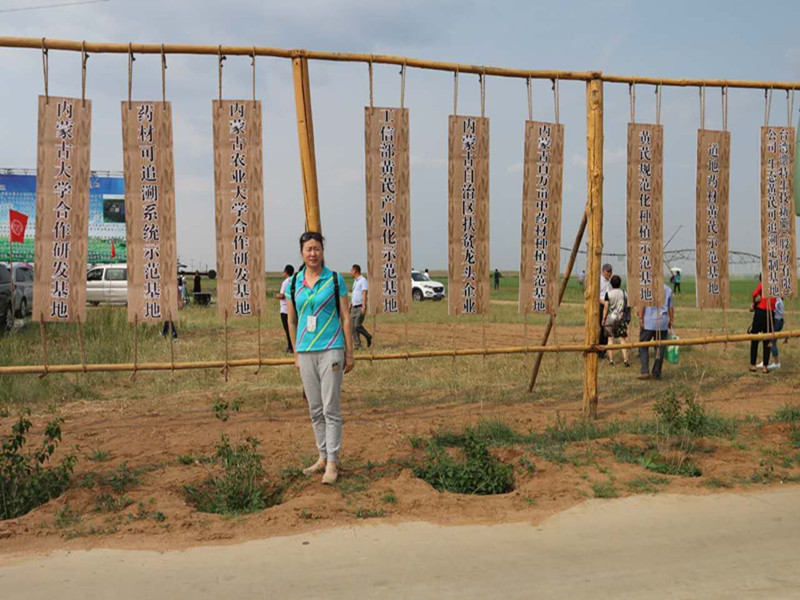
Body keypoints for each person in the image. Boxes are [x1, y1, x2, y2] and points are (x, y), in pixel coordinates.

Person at [287, 232, 354, 485]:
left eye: (316, 248)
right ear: (302, 252)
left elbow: (346, 317)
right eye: (308, 249)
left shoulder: (335, 279)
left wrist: (349, 352)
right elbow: (292, 320)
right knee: (315, 408)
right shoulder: (294, 282)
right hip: (306, 351)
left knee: (330, 408)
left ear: (322, 251)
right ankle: (322, 457)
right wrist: (296, 353)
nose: (312, 253)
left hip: (331, 349)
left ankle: (333, 462)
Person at [638, 283, 674, 380]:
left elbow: (642, 304)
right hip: (662, 322)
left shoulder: (647, 288)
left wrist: (640, 318)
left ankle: (645, 371)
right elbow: (671, 307)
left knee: (643, 346)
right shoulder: (667, 289)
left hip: (648, 322)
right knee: (660, 348)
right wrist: (671, 320)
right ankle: (656, 372)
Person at [601, 275, 630, 367]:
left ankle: (611, 360)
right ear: (620, 283)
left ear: (611, 284)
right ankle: (625, 360)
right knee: (622, 339)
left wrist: (603, 319)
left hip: (610, 319)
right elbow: (628, 305)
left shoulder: (608, 294)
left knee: (610, 339)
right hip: (621, 319)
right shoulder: (624, 293)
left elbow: (606, 307)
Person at [749, 279, 775, 374]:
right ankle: (765, 366)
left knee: (754, 338)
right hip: (770, 313)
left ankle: (753, 365)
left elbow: (754, 294)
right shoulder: (775, 286)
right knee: (767, 340)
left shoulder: (762, 284)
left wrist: (754, 303)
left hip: (760, 313)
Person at [350, 264, 372, 349]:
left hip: (360, 306)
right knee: (353, 327)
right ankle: (357, 345)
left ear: (355, 271)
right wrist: (350, 304)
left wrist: (364, 306)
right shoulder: (355, 281)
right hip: (354, 306)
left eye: (352, 270)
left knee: (357, 325)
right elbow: (354, 294)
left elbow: (364, 292)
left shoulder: (363, 280)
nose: (351, 272)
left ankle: (368, 336)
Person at [275, 264, 295, 353]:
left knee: (288, 329)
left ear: (286, 272)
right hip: (293, 308)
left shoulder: (285, 282)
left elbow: (282, 295)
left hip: (285, 309)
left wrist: (276, 296)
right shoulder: (294, 280)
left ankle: (291, 347)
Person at [764, 297, 784, 370]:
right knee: (768, 340)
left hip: (777, 321)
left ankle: (776, 362)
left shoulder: (778, 300)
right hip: (776, 321)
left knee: (772, 341)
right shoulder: (777, 300)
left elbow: (772, 308)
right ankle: (766, 360)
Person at [598, 264, 613, 357]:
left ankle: (603, 351)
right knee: (600, 327)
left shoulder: (609, 283)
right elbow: (595, 295)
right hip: (600, 306)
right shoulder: (599, 281)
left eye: (610, 271)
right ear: (603, 271)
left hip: (607, 307)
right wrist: (604, 303)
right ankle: (598, 350)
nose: (609, 273)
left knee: (606, 328)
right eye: (607, 271)